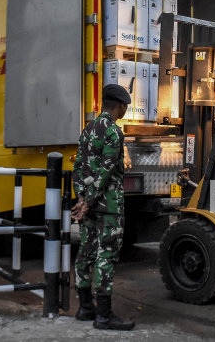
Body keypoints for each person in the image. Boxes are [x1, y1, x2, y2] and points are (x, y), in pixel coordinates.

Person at [70, 84, 135, 330]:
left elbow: (78, 167)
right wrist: (89, 201)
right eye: (125, 106)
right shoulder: (114, 132)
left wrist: (81, 198)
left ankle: (86, 308)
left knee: (86, 253)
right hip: (108, 207)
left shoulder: (87, 129)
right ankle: (104, 316)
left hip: (89, 204)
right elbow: (106, 171)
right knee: (106, 256)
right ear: (120, 106)